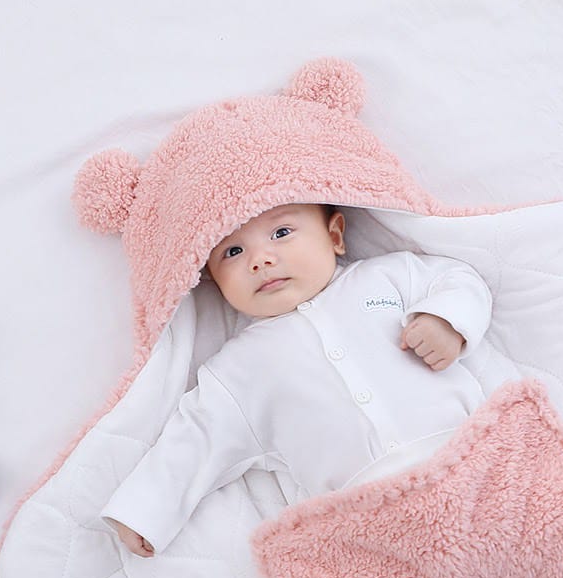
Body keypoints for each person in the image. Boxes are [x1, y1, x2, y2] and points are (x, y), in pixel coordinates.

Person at [103, 202, 493, 557]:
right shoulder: (238, 368)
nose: (261, 260)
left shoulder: (387, 276)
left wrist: (446, 320)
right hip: (365, 515)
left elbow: (458, 279)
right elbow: (196, 438)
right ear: (213, 281)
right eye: (233, 252)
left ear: (335, 236)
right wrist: (143, 510)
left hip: (476, 459)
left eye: (281, 232)